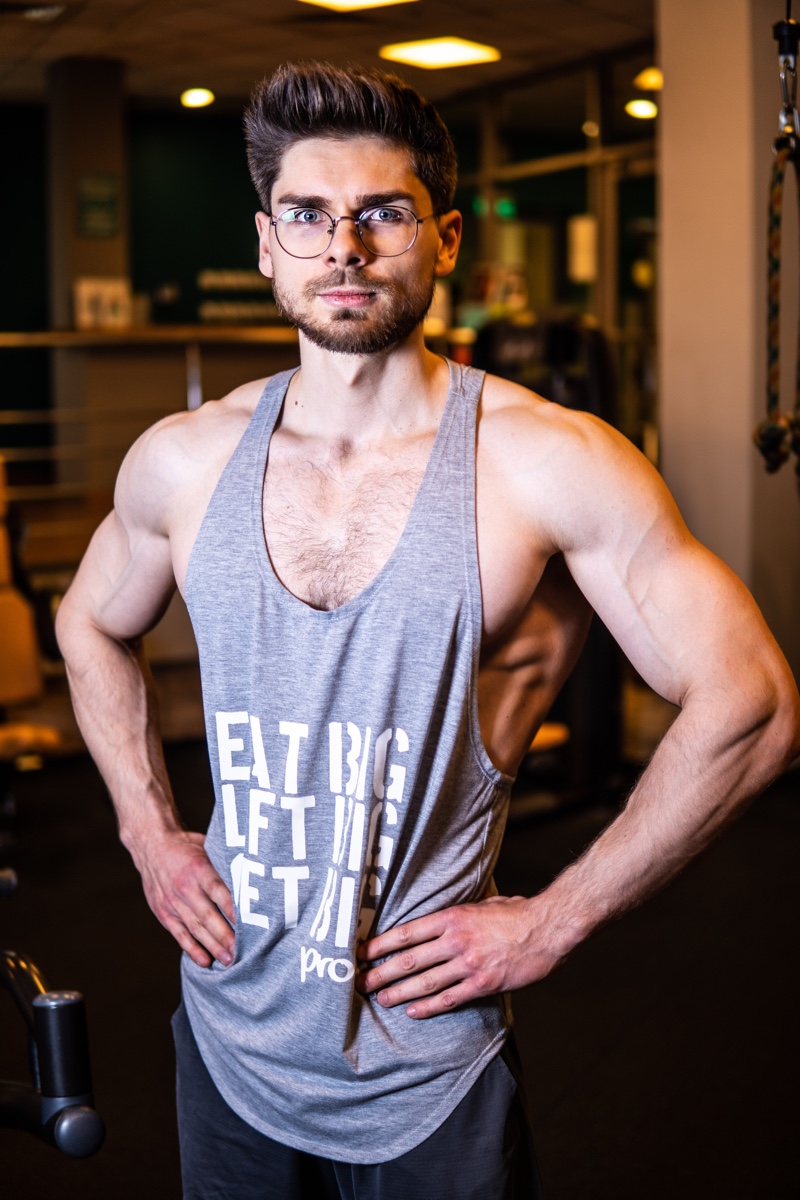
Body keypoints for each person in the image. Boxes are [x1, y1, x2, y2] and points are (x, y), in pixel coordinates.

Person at [55, 61, 800, 1200]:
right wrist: (150, 834)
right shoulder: (183, 458)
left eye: (382, 213)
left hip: (425, 1068)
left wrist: (555, 920)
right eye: (306, 215)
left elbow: (748, 704)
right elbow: (86, 625)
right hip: (225, 1039)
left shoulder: (548, 460)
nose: (341, 246)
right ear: (267, 246)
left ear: (443, 239)